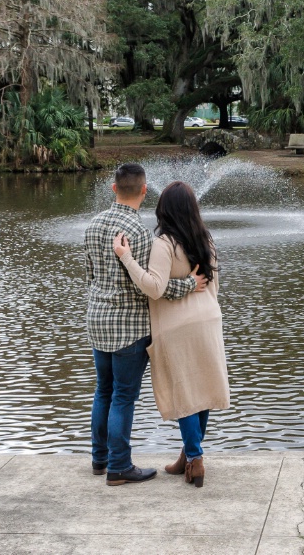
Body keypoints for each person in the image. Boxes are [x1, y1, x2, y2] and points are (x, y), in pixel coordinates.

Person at [85, 163, 207, 487]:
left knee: (103, 390)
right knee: (123, 396)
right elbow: (155, 285)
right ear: (143, 190)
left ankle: (99, 459)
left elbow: (90, 275)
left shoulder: (93, 225)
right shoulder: (140, 233)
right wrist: (191, 285)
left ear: (113, 188)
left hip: (97, 320)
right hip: (129, 326)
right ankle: (119, 466)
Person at [113, 180, 229, 489]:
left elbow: (154, 286)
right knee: (201, 391)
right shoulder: (206, 238)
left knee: (185, 395)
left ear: (165, 209)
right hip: (208, 319)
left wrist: (126, 257)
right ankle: (188, 456)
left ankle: (194, 458)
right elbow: (214, 285)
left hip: (178, 327)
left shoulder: (164, 242)